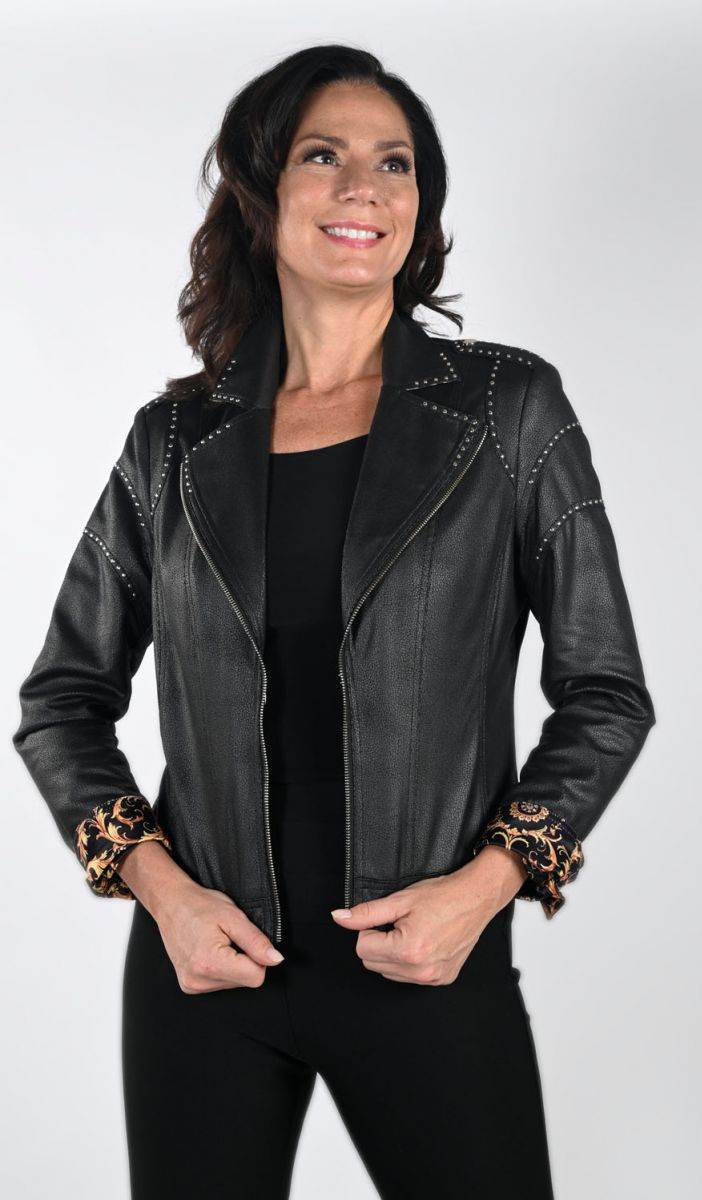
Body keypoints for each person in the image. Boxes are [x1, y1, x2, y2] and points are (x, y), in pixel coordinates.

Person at [12, 44, 656, 1200]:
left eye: (394, 163)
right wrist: (165, 895)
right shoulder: (174, 444)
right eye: (324, 155)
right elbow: (62, 700)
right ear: (264, 193)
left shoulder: (508, 411)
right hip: (205, 976)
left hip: (428, 964)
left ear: (422, 206)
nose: (364, 186)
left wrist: (485, 888)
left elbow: (605, 693)